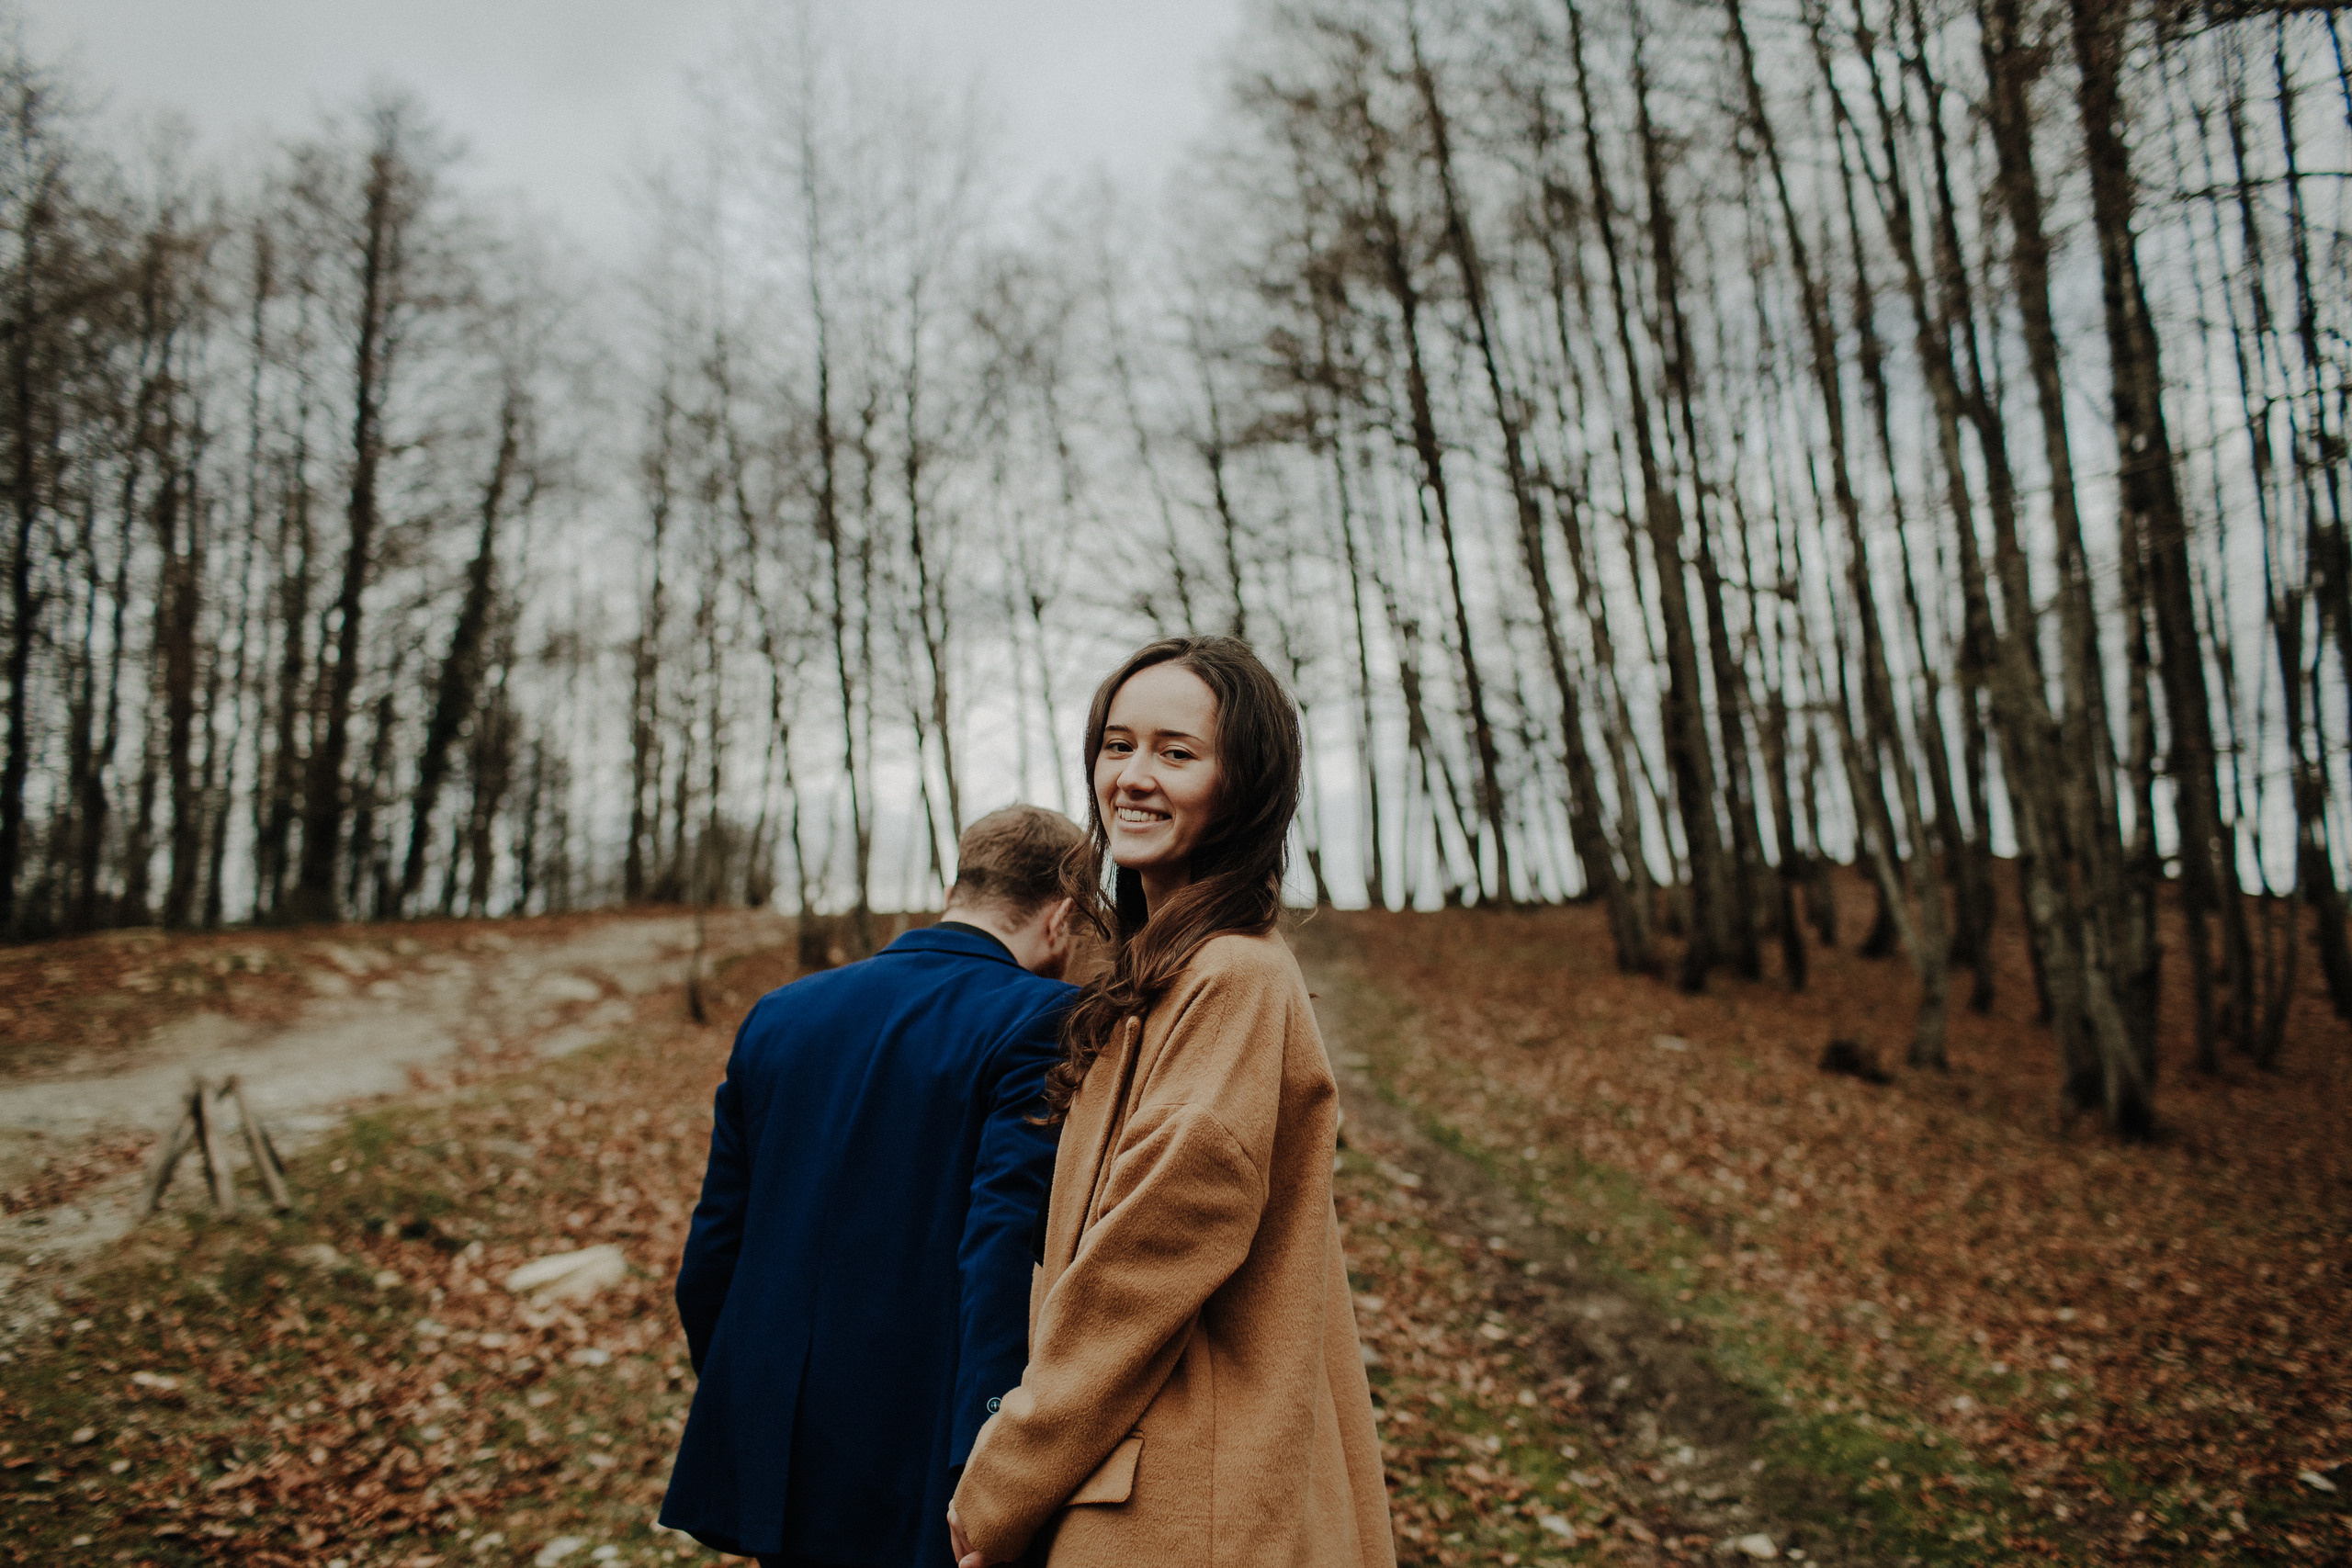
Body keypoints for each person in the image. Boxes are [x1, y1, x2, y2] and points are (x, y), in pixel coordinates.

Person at [947, 637, 1396, 1568]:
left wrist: (1009, 1468)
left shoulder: (1231, 975)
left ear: (1245, 785)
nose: (1134, 778)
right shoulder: (1167, 973)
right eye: (1117, 746)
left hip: (1183, 1501)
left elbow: (1150, 1254)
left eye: (1176, 752)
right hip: (1153, 1477)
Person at [659, 805, 1086, 1568]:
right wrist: (990, 1450)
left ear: (962, 885)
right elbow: (1000, 1247)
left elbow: (713, 1249)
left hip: (777, 1449)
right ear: (1061, 914)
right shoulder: (1043, 1016)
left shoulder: (780, 1013)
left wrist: (750, 1403)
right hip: (915, 1453)